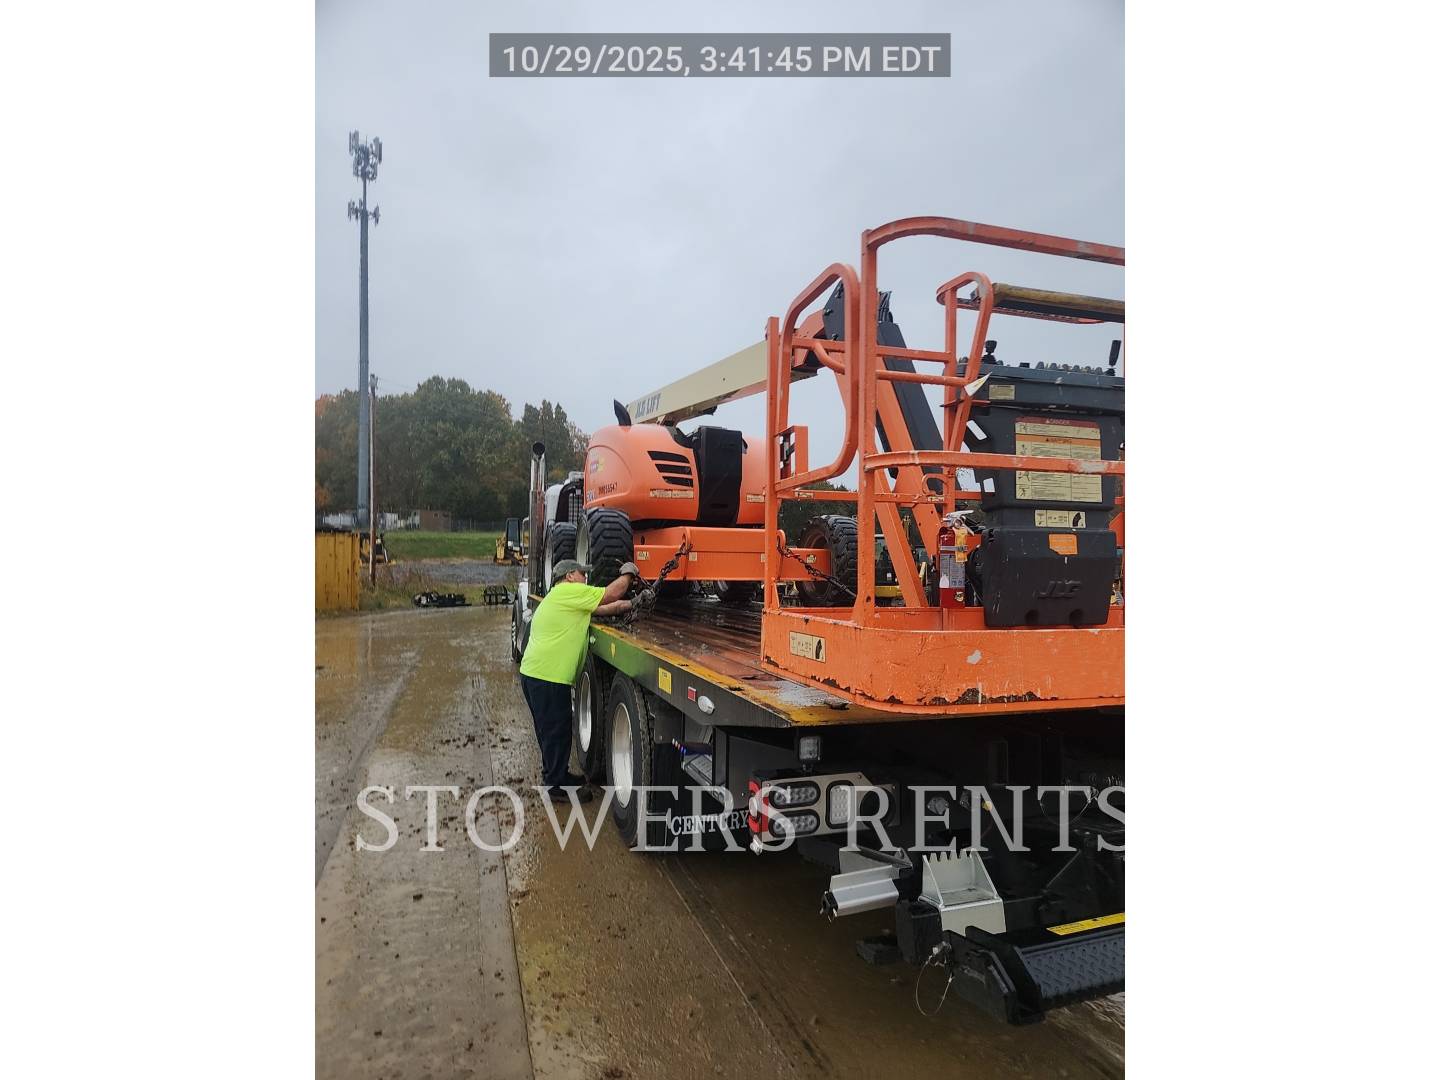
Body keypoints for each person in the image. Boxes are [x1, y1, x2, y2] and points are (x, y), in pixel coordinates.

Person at [518, 558, 644, 803]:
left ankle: (556, 775)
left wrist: (633, 603)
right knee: (556, 732)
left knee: (550, 732)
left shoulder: (564, 600)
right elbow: (610, 594)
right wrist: (628, 573)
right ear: (568, 576)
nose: (585, 577)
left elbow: (606, 607)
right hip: (547, 677)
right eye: (581, 573)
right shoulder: (568, 592)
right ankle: (556, 787)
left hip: (537, 675)